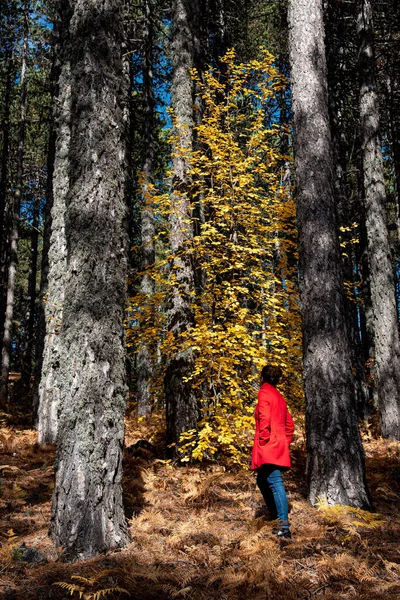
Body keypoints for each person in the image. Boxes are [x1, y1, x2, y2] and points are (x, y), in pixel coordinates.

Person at [252, 365, 295, 539]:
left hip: (268, 446)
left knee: (275, 483)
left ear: (262, 378)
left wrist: (264, 441)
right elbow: (290, 425)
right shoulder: (279, 397)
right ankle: (276, 518)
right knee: (262, 480)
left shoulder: (264, 393)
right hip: (277, 445)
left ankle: (283, 527)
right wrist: (284, 442)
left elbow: (265, 420)